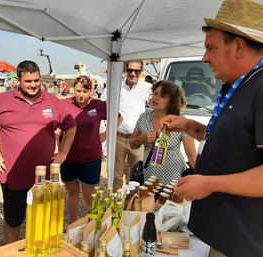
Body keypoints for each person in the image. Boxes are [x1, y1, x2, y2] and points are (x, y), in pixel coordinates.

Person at [160, 1, 263, 256]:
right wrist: (188, 125)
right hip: (224, 236)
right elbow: (236, 141)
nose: (205, 58)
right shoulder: (239, 85)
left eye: (211, 49)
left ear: (238, 47)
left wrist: (210, 184)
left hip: (245, 243)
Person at [0, 60, 76, 243]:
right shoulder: (1, 101)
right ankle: (10, 250)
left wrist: (63, 153)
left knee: (43, 218)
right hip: (13, 175)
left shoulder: (52, 101)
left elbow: (71, 126)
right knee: (14, 220)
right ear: (18, 80)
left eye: (36, 80)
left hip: (44, 177)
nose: (33, 85)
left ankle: (39, 250)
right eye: (28, 81)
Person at [60, 75, 122, 222]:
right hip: (68, 159)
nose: (81, 95)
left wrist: (106, 134)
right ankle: (73, 224)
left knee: (89, 197)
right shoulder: (64, 104)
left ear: (91, 91)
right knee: (72, 193)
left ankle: (91, 225)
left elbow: (118, 117)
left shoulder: (99, 105)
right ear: (73, 90)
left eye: (85, 91)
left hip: (90, 160)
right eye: (78, 91)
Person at [129, 81, 196, 185]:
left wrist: (201, 178)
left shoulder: (180, 122)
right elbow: (132, 144)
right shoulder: (144, 117)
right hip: (149, 175)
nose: (156, 98)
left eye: (163, 96)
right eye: (155, 93)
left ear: (172, 101)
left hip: (174, 177)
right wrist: (143, 138)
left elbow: (191, 155)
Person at [101, 60, 152, 191]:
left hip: (137, 140)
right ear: (125, 70)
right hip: (118, 138)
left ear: (141, 72)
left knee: (136, 175)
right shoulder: (114, 87)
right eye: (130, 70)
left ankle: (132, 205)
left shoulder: (147, 88)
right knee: (116, 176)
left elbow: (156, 105)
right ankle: (116, 206)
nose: (133, 74)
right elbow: (103, 107)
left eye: (136, 71)